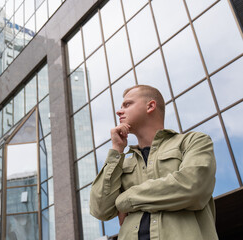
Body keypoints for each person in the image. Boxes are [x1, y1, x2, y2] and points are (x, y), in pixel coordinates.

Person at [90, 85, 218, 239]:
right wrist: (117, 150)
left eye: (127, 104)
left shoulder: (193, 141)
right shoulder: (121, 165)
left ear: (150, 106)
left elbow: (192, 187)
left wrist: (126, 199)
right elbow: (100, 209)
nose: (119, 111)